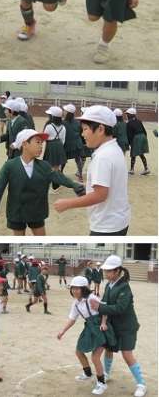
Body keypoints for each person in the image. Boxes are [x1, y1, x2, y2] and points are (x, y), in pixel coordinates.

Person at [0, 129, 85, 235]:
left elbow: (59, 177)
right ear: (25, 144)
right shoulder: (10, 166)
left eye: (41, 143)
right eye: (37, 142)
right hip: (17, 212)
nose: (41, 146)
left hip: (37, 211)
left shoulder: (44, 166)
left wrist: (74, 185)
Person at [54, 106, 131, 236]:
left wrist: (67, 203)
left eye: (85, 129)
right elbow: (108, 185)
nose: (82, 134)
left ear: (100, 129)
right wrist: (88, 187)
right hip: (119, 219)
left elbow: (100, 195)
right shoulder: (115, 148)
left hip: (106, 225)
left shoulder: (103, 157)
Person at [90, 255, 147, 397]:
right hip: (113, 325)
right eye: (105, 270)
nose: (106, 273)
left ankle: (141, 384)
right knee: (109, 349)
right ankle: (106, 373)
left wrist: (99, 308)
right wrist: (103, 321)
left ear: (117, 271)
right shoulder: (109, 285)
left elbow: (119, 308)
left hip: (127, 327)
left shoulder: (124, 287)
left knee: (127, 354)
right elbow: (104, 303)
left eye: (109, 271)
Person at [57, 275, 115, 395]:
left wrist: (104, 323)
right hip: (89, 328)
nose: (74, 291)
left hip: (100, 328)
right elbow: (72, 319)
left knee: (95, 357)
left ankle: (101, 383)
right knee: (79, 351)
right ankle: (87, 373)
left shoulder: (91, 298)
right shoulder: (76, 303)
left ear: (84, 289)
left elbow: (104, 309)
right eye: (73, 288)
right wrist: (63, 331)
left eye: (77, 288)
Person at [125, 107, 150, 175]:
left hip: (136, 138)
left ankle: (132, 170)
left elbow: (129, 134)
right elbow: (144, 131)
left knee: (133, 153)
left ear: (131, 115)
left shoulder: (129, 123)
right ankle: (146, 168)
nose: (126, 115)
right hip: (143, 136)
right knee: (141, 153)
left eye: (127, 114)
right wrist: (144, 138)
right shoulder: (139, 121)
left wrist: (130, 143)